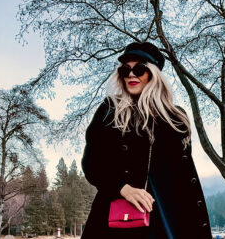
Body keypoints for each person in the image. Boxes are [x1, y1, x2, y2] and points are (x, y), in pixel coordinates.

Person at [81, 42, 212, 239]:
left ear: (153, 74)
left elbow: (184, 180)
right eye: (126, 70)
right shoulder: (110, 110)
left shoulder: (176, 118)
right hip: (117, 218)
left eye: (139, 69)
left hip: (166, 218)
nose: (131, 75)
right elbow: (91, 163)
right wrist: (122, 188)